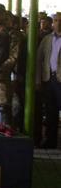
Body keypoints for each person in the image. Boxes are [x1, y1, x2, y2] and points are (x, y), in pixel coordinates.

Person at [37, 13, 61, 148]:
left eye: (60, 21)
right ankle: (50, 141)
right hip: (49, 78)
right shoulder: (47, 39)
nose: (58, 23)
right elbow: (39, 59)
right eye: (56, 21)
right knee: (51, 112)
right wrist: (38, 79)